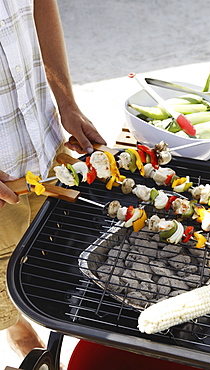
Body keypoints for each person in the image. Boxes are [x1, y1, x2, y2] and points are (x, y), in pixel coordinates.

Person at [0, 0, 106, 360]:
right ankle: (17, 331)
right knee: (2, 281)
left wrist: (67, 101)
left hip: (43, 145)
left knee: (51, 260)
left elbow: (42, 3)